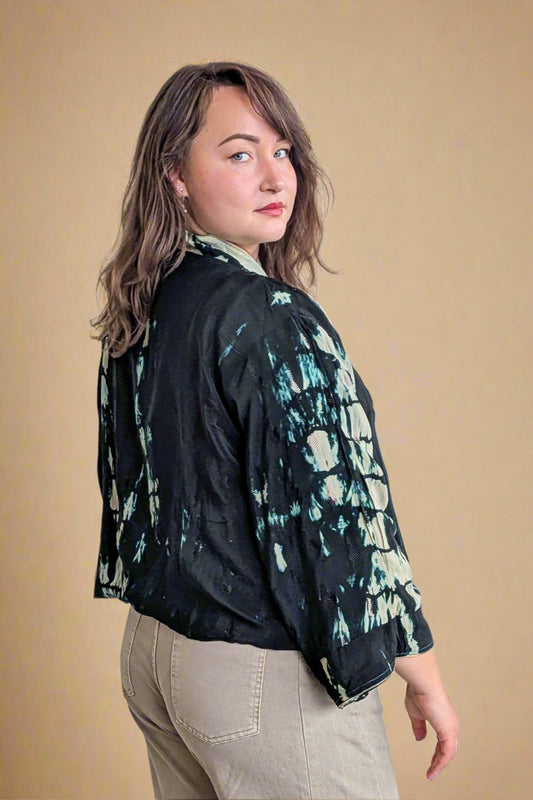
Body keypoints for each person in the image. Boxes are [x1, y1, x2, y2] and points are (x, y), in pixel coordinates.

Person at [91, 61, 459, 800]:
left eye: (282, 151)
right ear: (175, 175)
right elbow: (337, 515)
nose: (274, 177)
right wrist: (419, 667)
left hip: (158, 653)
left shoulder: (145, 304)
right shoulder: (267, 315)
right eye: (239, 154)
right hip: (257, 670)